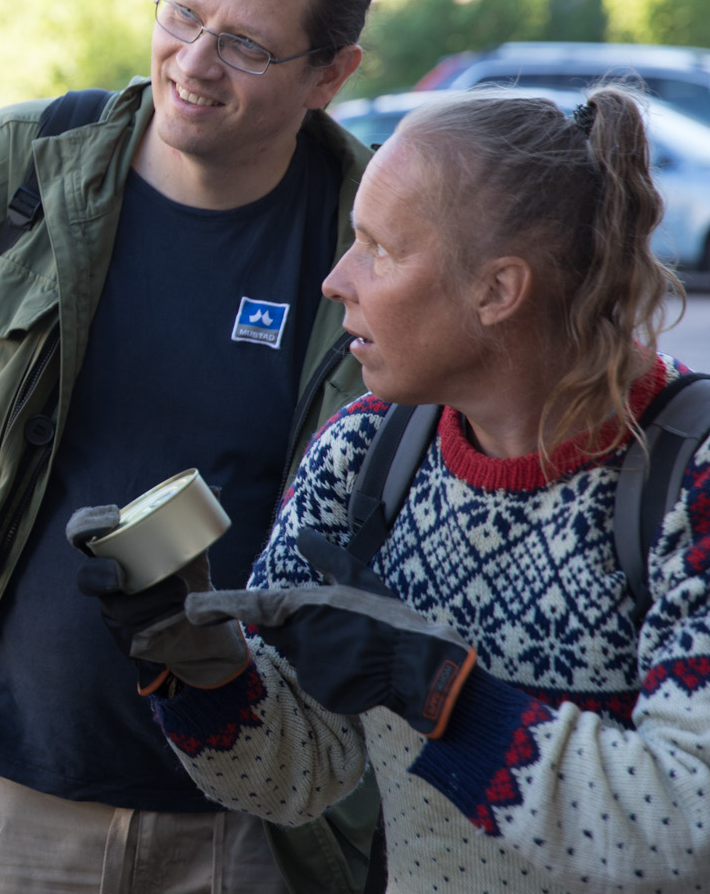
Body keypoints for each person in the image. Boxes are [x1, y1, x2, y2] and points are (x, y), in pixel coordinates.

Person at [87, 87, 710, 889]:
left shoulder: (689, 475)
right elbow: (290, 774)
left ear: (497, 290)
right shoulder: (363, 452)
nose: (335, 279)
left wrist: (437, 689)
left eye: (379, 247)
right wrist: (192, 656)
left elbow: (685, 827)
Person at [0, 0, 378, 892]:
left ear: (329, 74)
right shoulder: (12, 171)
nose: (192, 62)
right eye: (183, 14)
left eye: (245, 45)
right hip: (5, 804)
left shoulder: (371, 241)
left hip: (250, 833)